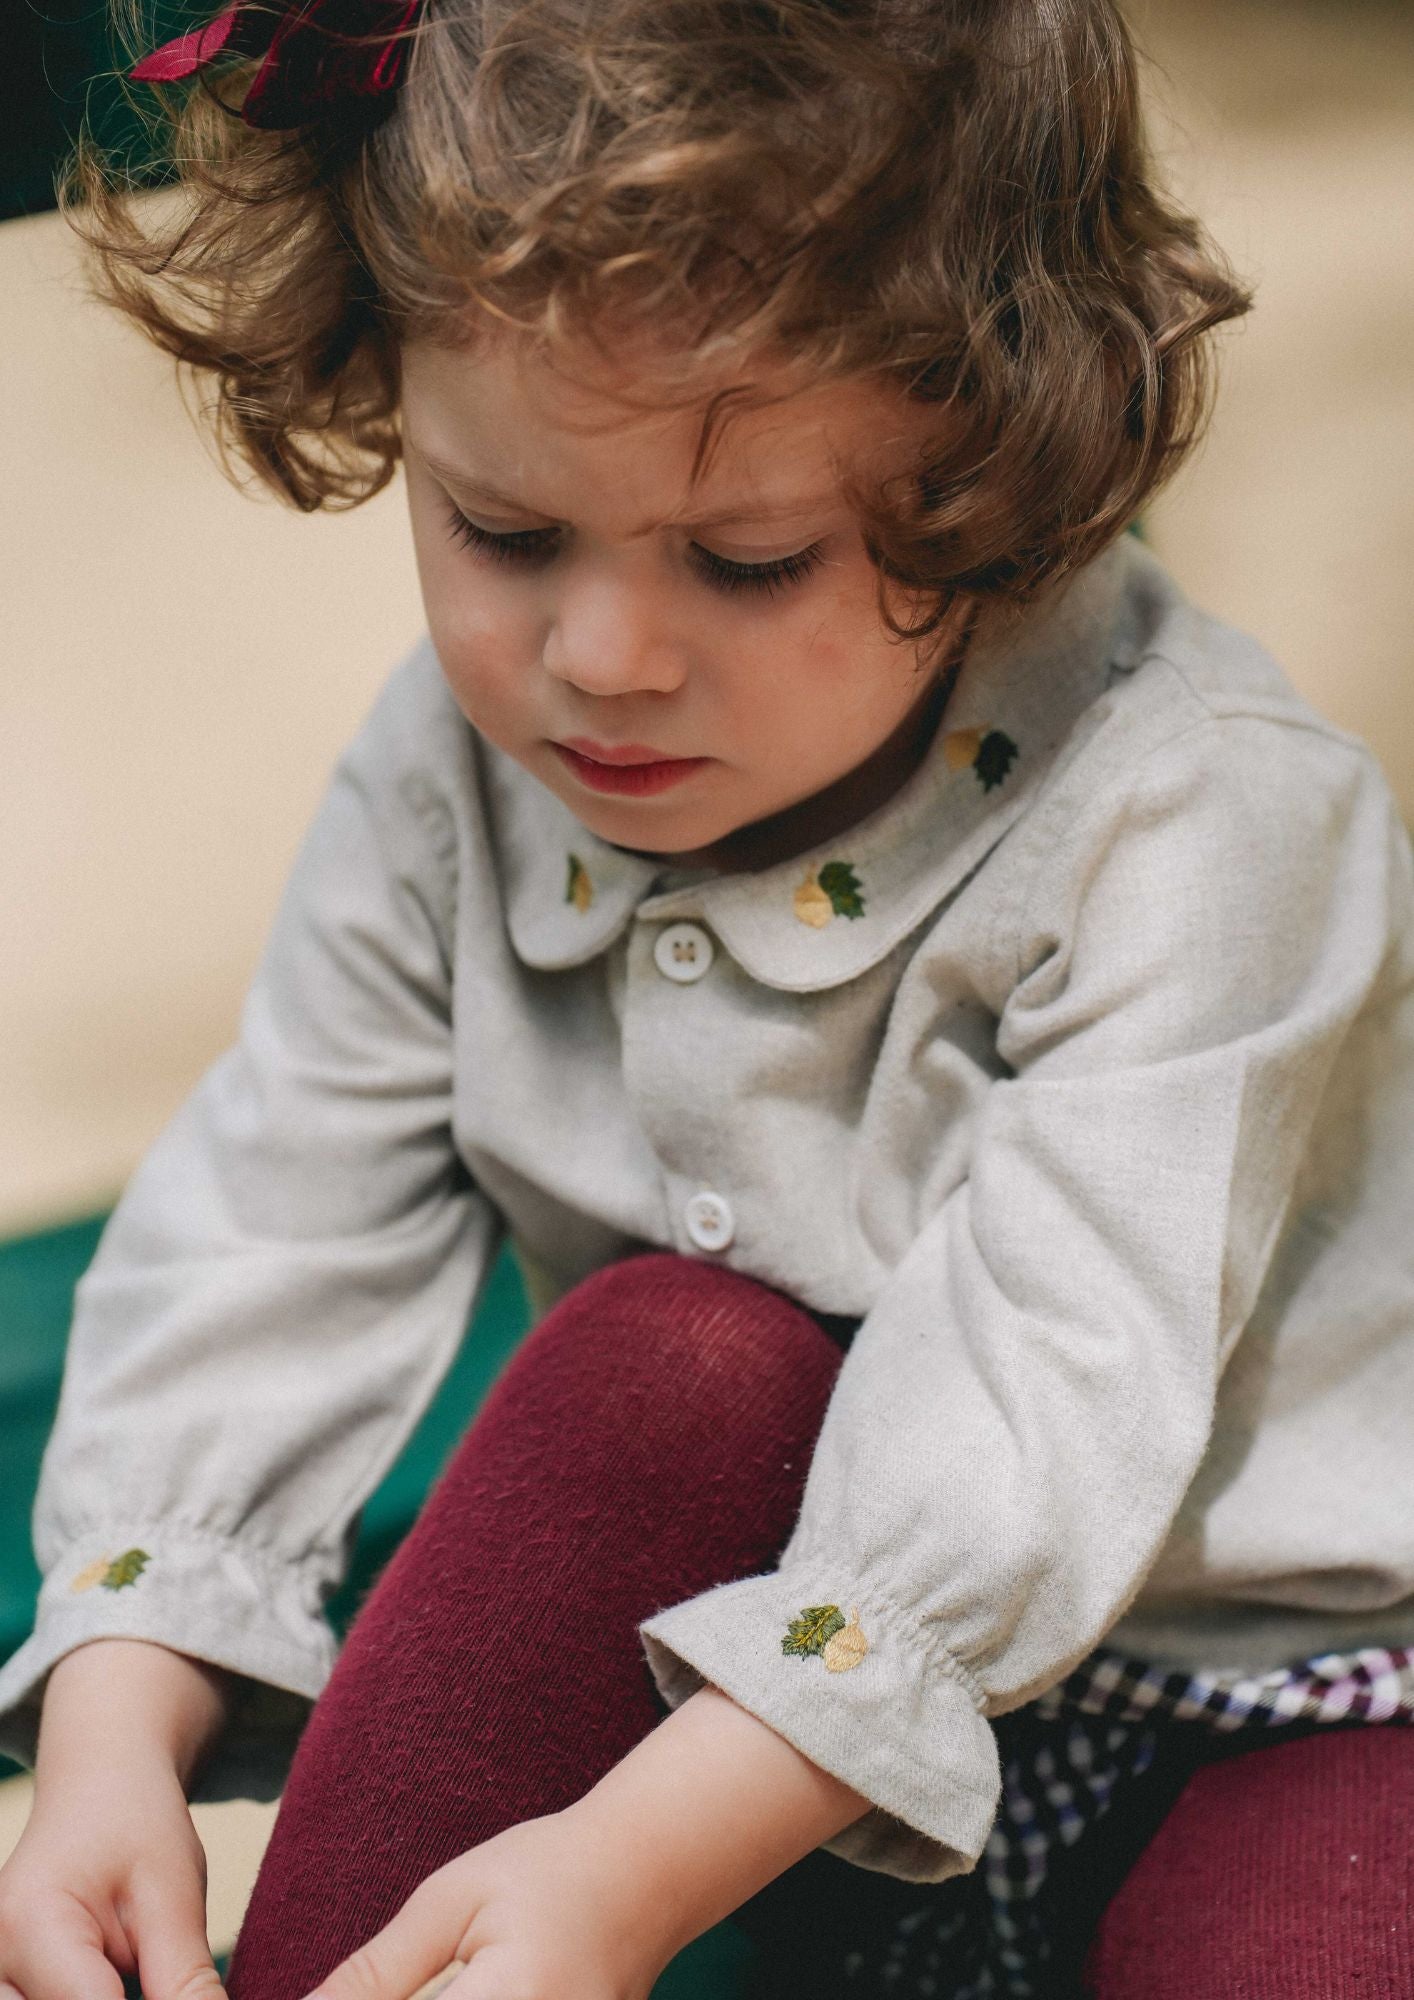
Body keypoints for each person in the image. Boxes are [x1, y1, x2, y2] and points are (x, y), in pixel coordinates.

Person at [1, 1, 1412, 1996]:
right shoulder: (457, 776)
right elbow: (277, 1209)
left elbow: (1045, 1394)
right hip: (732, 1695)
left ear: (999, 466)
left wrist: (620, 1878)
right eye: (500, 531)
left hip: (1267, 1692)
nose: (598, 655)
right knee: (663, 1352)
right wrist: (110, 1725)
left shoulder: (1211, 821)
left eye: (745, 559)